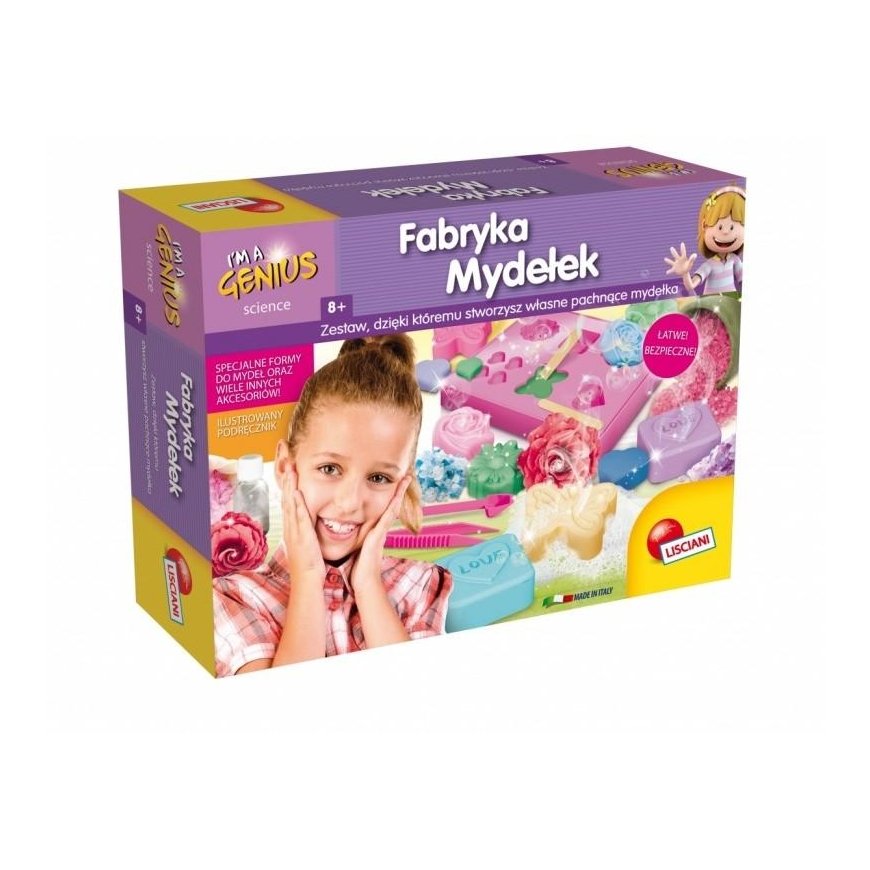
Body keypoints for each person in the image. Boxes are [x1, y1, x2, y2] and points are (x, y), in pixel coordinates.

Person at [213, 335, 453, 676]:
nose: (349, 502)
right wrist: (308, 577)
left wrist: (367, 583)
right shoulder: (235, 596)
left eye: (379, 478)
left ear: (403, 485)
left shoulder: (420, 583)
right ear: (285, 466)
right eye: (329, 469)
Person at [664, 186, 745, 296]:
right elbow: (691, 286)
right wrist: (685, 273)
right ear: (704, 226)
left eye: (732, 227)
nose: (726, 232)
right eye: (720, 227)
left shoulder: (735, 260)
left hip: (731, 301)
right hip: (711, 303)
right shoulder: (709, 265)